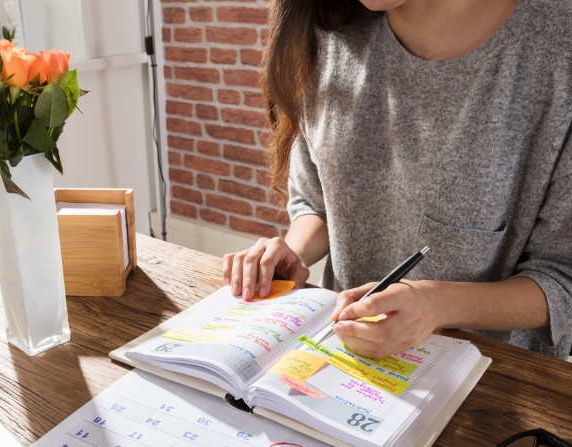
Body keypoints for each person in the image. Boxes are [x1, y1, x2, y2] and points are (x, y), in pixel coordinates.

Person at [223, 0, 572, 360]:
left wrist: (436, 305)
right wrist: (294, 252)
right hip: (340, 358)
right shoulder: (328, 29)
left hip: (494, 383)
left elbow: (563, 279)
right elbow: (317, 203)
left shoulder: (557, 42)